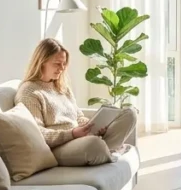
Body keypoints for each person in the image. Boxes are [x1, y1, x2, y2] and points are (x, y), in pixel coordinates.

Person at [15, 38, 137, 166]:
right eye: (57, 63)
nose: (62, 68)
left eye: (64, 64)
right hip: (57, 147)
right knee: (94, 144)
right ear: (42, 62)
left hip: (79, 139)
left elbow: (78, 117)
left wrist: (92, 126)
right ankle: (110, 150)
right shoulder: (29, 92)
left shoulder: (62, 87)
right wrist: (72, 134)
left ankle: (107, 151)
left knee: (129, 114)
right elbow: (37, 134)